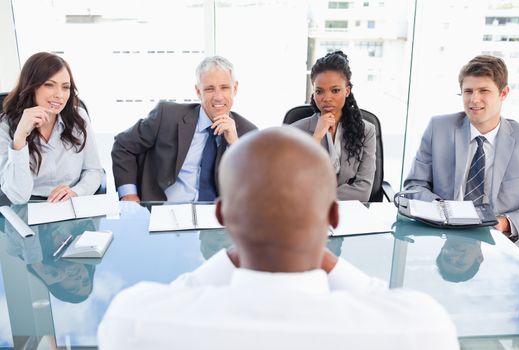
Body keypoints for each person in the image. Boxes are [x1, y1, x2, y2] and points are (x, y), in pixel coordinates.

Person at [98, 127, 458, 349]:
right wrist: (320, 252)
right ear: (333, 216)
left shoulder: (135, 320)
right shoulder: (420, 328)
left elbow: (180, 292)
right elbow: (382, 299)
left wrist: (239, 250)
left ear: (222, 215)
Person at [403, 55, 519, 242]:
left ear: (504, 93)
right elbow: (414, 186)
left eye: (483, 90)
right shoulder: (439, 128)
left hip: (499, 240)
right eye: (468, 91)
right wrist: (441, 209)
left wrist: (504, 223)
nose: (474, 100)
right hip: (443, 234)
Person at [111, 56, 257, 202]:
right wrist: (129, 195)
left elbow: (256, 188)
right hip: (165, 212)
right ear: (198, 91)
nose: (218, 97)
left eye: (225, 88)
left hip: (218, 218)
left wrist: (235, 145)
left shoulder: (248, 133)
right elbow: (123, 145)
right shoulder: (167, 116)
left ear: (235, 89)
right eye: (209, 89)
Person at [0, 52, 103, 204]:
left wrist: (76, 192)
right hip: (28, 206)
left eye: (65, 87)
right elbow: (18, 197)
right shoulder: (6, 125)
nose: (59, 95)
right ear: (31, 86)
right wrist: (20, 137)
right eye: (49, 85)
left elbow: (94, 171)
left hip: (70, 203)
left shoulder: (78, 117)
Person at [292, 50, 376, 201]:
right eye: (319, 91)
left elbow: (363, 190)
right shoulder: (295, 131)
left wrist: (318, 197)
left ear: (347, 91)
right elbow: (291, 184)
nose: (327, 98)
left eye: (335, 90)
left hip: (351, 212)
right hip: (308, 214)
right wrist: (316, 136)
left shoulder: (367, 131)